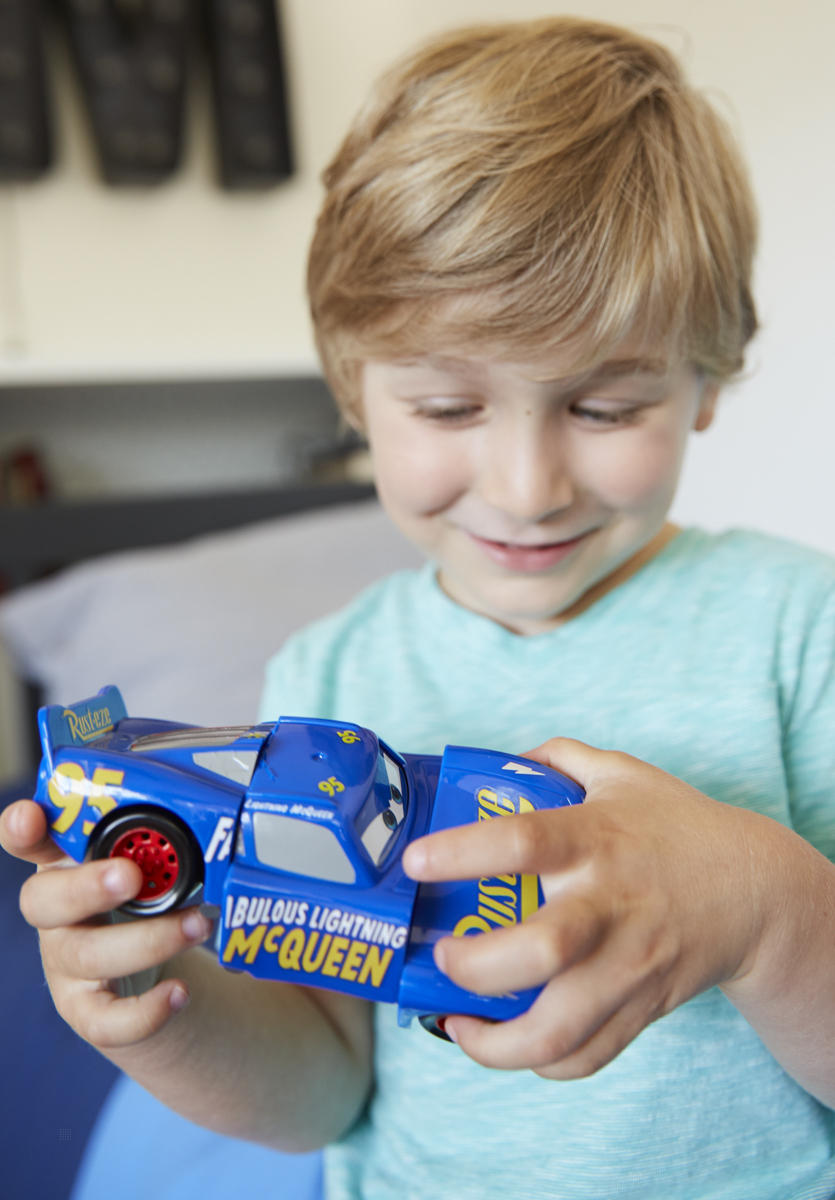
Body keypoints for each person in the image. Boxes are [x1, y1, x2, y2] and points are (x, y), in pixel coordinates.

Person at [3, 16, 835, 1200]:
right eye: (448, 409)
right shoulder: (328, 675)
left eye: (602, 409)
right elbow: (329, 1085)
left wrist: (766, 913)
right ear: (353, 389)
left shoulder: (799, 632)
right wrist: (154, 1013)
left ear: (706, 378)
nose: (527, 487)